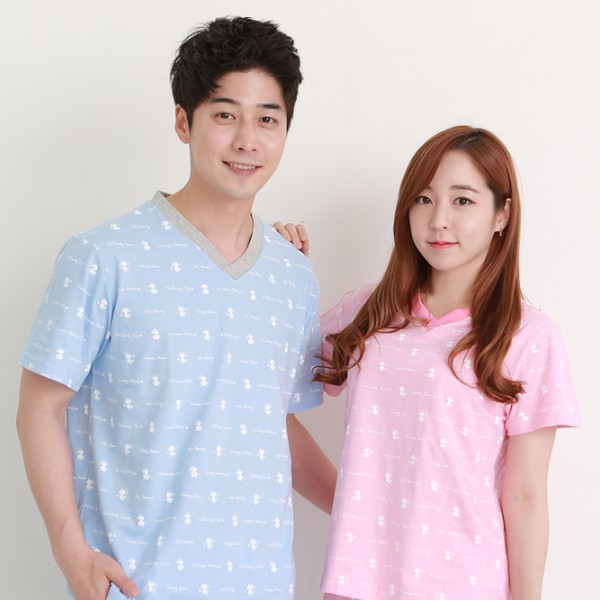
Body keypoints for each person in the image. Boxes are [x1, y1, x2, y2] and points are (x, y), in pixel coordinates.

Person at [17, 16, 336, 600]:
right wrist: (70, 550)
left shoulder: (292, 275)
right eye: (225, 115)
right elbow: (39, 407)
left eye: (268, 119)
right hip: (136, 585)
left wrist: (358, 509)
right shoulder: (103, 256)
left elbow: (273, 421)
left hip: (262, 586)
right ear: (183, 122)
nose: (248, 140)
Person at [275, 125, 580, 600]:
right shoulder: (368, 312)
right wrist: (279, 280)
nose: (438, 220)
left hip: (467, 584)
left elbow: (524, 496)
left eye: (463, 201)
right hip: (358, 583)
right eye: (423, 198)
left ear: (502, 214)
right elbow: (261, 394)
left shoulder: (529, 336)